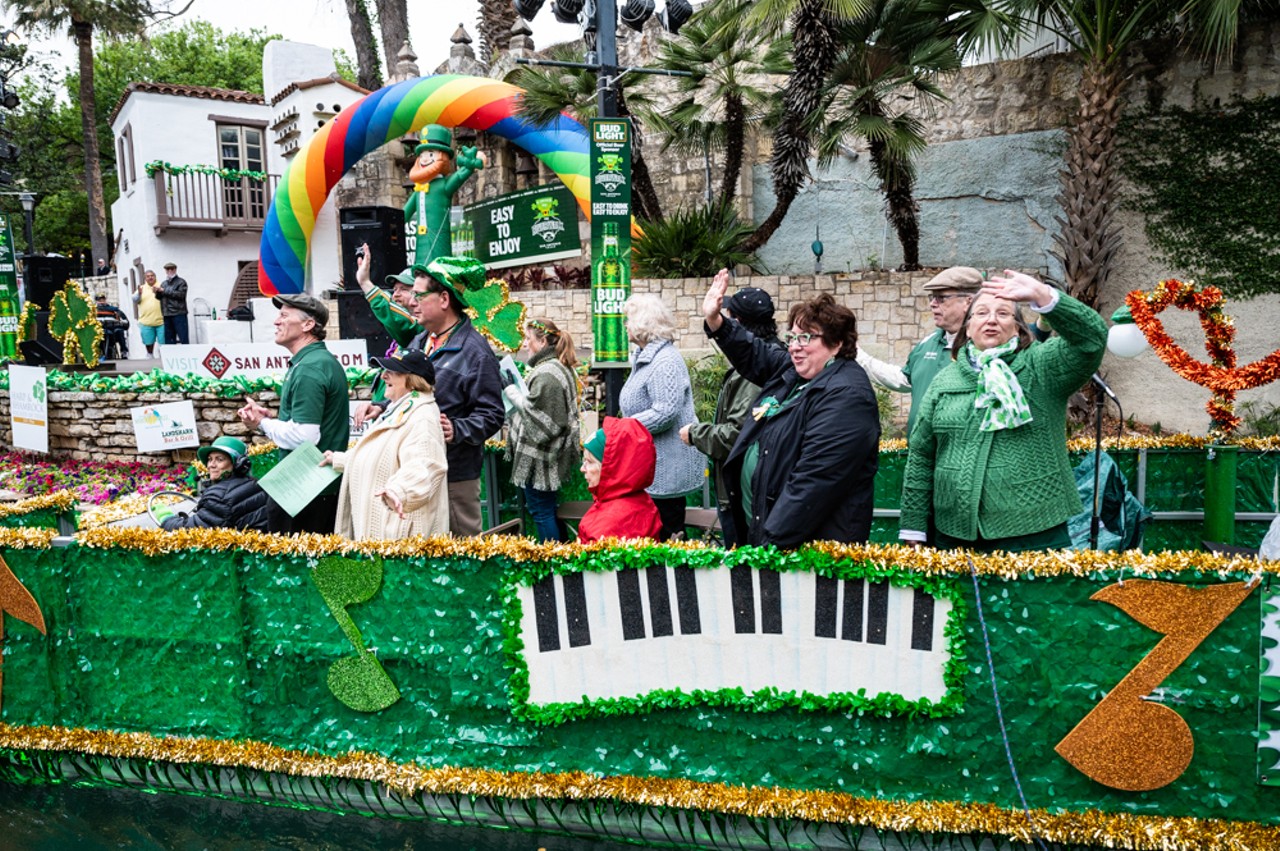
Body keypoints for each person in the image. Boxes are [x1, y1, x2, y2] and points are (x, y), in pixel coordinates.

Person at [899, 270, 1108, 553]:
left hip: (1033, 535)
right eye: (982, 313)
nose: (992, 319)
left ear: (1019, 328)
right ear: (968, 328)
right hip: (952, 534)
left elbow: (1091, 340)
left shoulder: (1041, 367)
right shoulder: (944, 382)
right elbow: (921, 455)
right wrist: (914, 526)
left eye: (1004, 313)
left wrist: (1044, 297)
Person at [701, 269, 881, 548]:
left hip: (807, 555)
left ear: (837, 344)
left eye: (807, 338)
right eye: (793, 337)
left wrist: (767, 546)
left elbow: (813, 484)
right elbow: (754, 352)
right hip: (771, 542)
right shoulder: (797, 373)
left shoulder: (847, 396)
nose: (795, 347)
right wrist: (716, 321)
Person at [237, 293, 350, 534]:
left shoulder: (310, 367)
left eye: (284, 316)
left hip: (305, 490)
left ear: (308, 325)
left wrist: (262, 423)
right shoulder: (314, 361)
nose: (276, 322)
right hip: (312, 487)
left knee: (294, 568)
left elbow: (305, 437)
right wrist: (269, 419)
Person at [408, 256, 504, 536]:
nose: (412, 302)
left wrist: (458, 428)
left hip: (454, 476)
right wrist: (379, 407)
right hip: (416, 469)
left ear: (444, 299)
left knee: (464, 555)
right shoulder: (418, 342)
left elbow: (493, 414)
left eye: (419, 294)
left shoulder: (476, 351)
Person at [679, 286, 782, 547]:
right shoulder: (769, 358)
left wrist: (695, 434)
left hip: (742, 495)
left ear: (736, 322)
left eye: (727, 315)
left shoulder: (756, 373)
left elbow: (737, 434)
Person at [320, 351, 449, 540]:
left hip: (401, 540)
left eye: (393, 371)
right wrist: (340, 459)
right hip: (386, 536)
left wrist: (400, 491)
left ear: (413, 379)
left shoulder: (422, 417)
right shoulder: (399, 408)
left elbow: (426, 464)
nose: (383, 376)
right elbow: (380, 455)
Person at [857, 266, 982, 436]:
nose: (932, 303)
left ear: (968, 301)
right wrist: (858, 355)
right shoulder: (929, 342)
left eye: (941, 298)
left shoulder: (985, 348)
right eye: (932, 297)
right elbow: (903, 380)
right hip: (920, 454)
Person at [620, 294, 705, 541]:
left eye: (628, 320)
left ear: (643, 324)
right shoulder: (646, 357)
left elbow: (665, 412)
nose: (625, 325)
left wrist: (625, 427)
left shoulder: (665, 360)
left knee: (668, 536)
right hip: (653, 464)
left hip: (668, 467)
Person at [505, 318, 580, 542]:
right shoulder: (554, 367)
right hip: (547, 457)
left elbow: (541, 421)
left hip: (540, 459)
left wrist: (511, 392)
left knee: (542, 512)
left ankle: (553, 565)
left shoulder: (547, 373)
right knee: (547, 510)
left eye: (529, 339)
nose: (525, 344)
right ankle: (559, 561)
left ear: (543, 341)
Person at [403, 125, 484, 268]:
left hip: (439, 240)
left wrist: (470, 165)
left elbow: (459, 176)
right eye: (422, 155)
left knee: (438, 269)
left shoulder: (443, 186)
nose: (425, 158)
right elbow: (403, 215)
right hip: (420, 244)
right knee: (420, 268)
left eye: (430, 154)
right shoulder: (418, 190)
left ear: (442, 157)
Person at [153, 437, 269, 532]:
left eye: (219, 460)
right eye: (210, 459)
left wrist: (166, 518)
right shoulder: (254, 484)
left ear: (239, 464)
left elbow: (190, 531)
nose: (211, 465)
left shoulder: (220, 496)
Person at [577, 417, 664, 544]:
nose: (582, 469)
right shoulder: (642, 502)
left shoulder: (607, 524)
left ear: (610, 468)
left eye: (589, 462)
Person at [132, 270, 165, 355]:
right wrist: (139, 294)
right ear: (145, 278)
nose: (150, 277)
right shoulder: (141, 288)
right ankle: (150, 355)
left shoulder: (161, 286)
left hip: (162, 321)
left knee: (164, 341)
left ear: (155, 276)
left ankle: (163, 355)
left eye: (152, 275)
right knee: (148, 341)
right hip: (146, 321)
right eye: (148, 276)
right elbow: (134, 299)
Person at [157, 262, 189, 345]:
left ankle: (186, 355)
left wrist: (164, 291)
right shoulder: (164, 283)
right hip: (167, 314)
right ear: (165, 271)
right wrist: (157, 292)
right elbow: (159, 298)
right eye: (168, 269)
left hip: (179, 313)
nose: (170, 271)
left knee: (183, 337)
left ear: (175, 270)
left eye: (172, 269)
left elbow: (181, 295)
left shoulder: (181, 282)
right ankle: (171, 356)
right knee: (169, 338)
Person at [94, 293, 129, 360]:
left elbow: (125, 321)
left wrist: (120, 323)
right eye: (100, 300)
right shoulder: (92, 311)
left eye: (103, 299)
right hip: (99, 331)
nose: (102, 301)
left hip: (113, 331)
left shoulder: (114, 309)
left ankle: (123, 351)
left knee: (119, 331)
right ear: (96, 301)